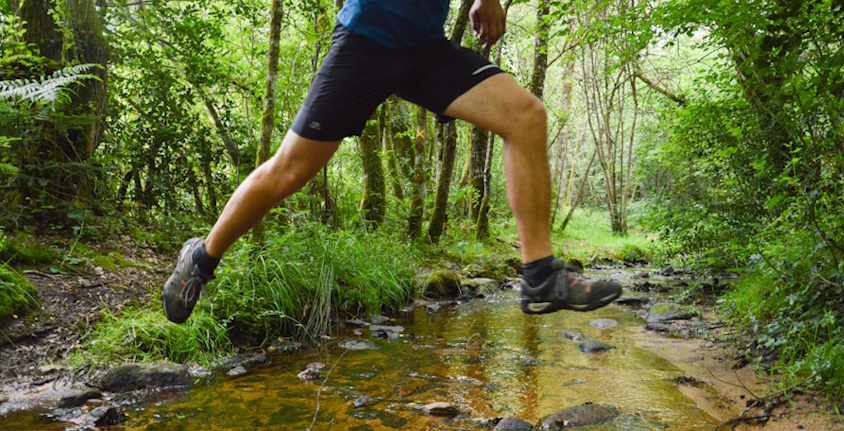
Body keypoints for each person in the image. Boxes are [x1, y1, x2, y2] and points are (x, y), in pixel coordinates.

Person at [162, 0, 622, 324]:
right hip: (364, 42)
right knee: (290, 171)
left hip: (425, 49)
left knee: (525, 116)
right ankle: (201, 259)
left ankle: (540, 276)